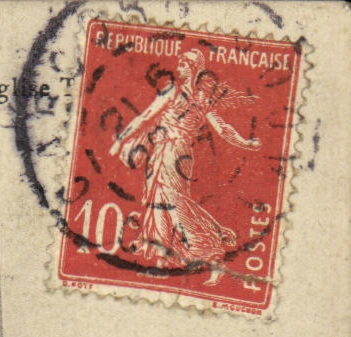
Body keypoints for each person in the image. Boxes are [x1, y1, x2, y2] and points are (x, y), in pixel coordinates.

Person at [109, 49, 261, 285]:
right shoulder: (181, 94)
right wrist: (121, 140)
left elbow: (222, 129)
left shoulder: (194, 99)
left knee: (174, 203)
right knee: (159, 203)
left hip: (175, 156)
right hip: (164, 154)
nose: (178, 67)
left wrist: (245, 143)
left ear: (192, 68)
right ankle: (164, 258)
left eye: (182, 63)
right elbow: (146, 117)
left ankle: (212, 250)